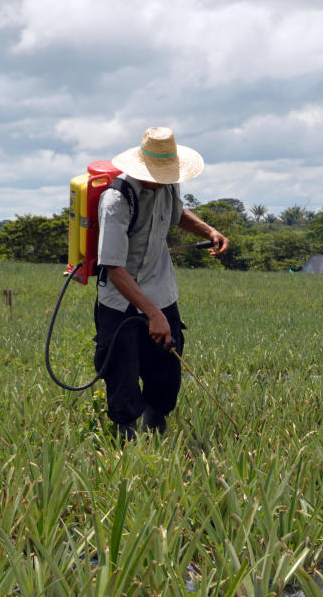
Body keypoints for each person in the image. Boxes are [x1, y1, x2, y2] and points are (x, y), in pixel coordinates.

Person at [94, 127, 228, 443]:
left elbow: (177, 214)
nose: (165, 179)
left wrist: (209, 231)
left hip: (161, 289)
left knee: (166, 372)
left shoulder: (167, 188)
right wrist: (152, 314)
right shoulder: (116, 200)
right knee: (122, 376)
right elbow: (113, 268)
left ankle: (155, 435)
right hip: (120, 300)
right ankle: (125, 444)